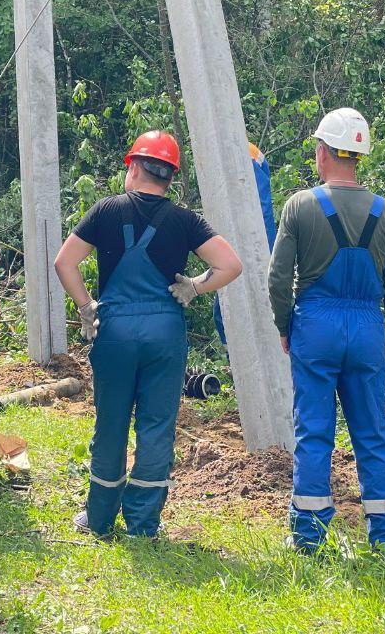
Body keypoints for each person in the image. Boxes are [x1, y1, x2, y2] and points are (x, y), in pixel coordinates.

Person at [53, 130, 243, 537]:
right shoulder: (185, 220)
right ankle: (142, 524)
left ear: (134, 167)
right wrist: (194, 285)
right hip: (165, 331)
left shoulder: (105, 211)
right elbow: (230, 265)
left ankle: (100, 519)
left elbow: (64, 263)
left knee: (112, 424)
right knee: (157, 426)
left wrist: (87, 308)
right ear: (169, 177)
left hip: (116, 330)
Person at [269, 108, 385, 551]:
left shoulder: (301, 205)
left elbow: (277, 278)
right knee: (373, 434)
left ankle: (308, 536)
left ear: (323, 152)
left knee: (313, 431)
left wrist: (286, 325)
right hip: (367, 327)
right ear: (359, 155)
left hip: (316, 324)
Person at [213, 140, 276, 346]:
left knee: (228, 310)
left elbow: (260, 211)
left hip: (250, 250)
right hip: (247, 248)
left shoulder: (240, 153)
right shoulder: (245, 151)